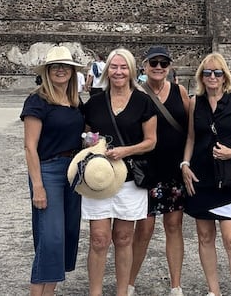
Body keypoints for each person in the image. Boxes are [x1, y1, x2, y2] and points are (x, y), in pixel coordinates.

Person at [81, 48, 158, 296]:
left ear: (132, 71)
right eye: (113, 67)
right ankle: (96, 292)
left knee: (124, 238)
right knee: (99, 239)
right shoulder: (94, 103)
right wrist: (90, 142)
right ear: (106, 71)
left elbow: (151, 141)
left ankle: (122, 292)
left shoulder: (143, 102)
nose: (118, 72)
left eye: (123, 67)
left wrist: (125, 151)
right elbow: (85, 135)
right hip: (99, 179)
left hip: (129, 179)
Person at [181, 53, 231, 296]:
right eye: (207, 72)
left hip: (229, 176)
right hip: (201, 176)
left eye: (217, 72)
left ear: (225, 76)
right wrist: (185, 164)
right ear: (201, 76)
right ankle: (214, 291)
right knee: (204, 236)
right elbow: (192, 137)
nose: (212, 76)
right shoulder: (195, 102)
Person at [20, 45, 85, 296]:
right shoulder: (38, 101)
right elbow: (29, 147)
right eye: (55, 66)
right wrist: (38, 186)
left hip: (72, 173)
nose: (60, 70)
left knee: (67, 234)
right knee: (51, 237)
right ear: (47, 71)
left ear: (71, 71)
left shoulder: (76, 102)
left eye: (65, 66)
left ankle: (50, 292)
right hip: (48, 171)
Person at [126, 46, 190, 296]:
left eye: (164, 63)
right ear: (144, 66)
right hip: (145, 171)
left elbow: (190, 128)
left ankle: (176, 285)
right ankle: (129, 282)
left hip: (173, 168)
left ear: (169, 67)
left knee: (174, 226)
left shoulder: (179, 91)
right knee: (144, 228)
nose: (159, 67)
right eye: (154, 63)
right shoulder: (136, 93)